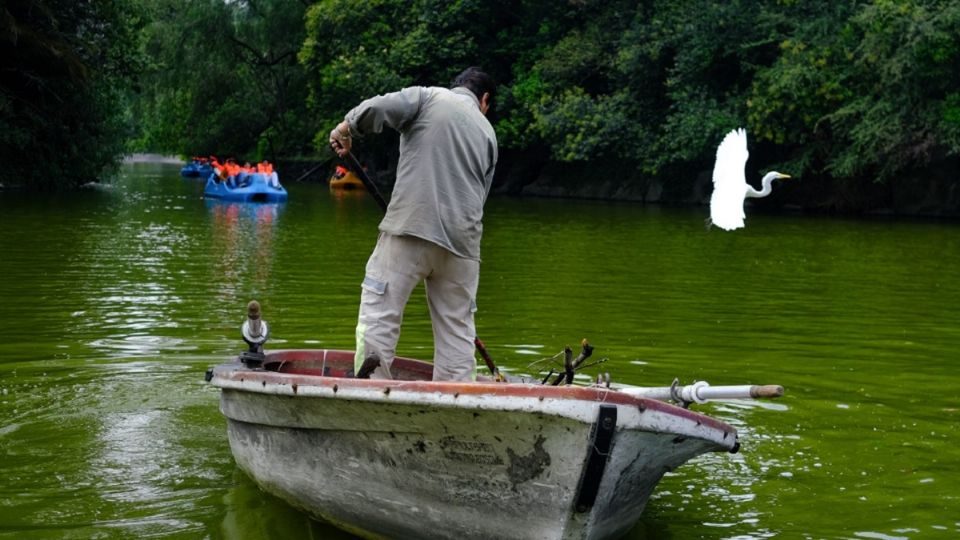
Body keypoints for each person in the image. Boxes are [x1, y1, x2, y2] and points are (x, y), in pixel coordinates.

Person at [329, 67, 498, 382]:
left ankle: (371, 390)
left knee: (380, 311)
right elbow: (480, 197)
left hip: (411, 228)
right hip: (463, 246)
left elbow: (379, 107)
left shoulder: (428, 96)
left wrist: (347, 127)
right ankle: (458, 399)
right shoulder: (489, 134)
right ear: (484, 99)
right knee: (457, 330)